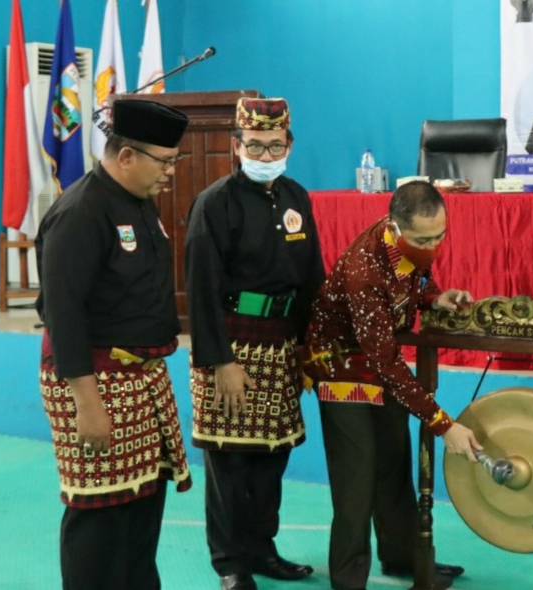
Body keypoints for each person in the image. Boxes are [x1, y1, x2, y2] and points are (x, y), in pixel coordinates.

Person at [35, 98, 192, 590]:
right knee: (99, 515)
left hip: (141, 378)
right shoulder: (80, 212)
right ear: (126, 156)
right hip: (94, 383)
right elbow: (63, 315)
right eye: (164, 162)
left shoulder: (138, 202)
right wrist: (88, 404)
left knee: (142, 506)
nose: (170, 172)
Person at [303, 181, 480, 590]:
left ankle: (402, 560)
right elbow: (385, 363)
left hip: (378, 355)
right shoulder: (364, 272)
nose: (432, 246)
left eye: (439, 236)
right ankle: (349, 581)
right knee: (356, 481)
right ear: (395, 227)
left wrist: (434, 298)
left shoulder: (409, 244)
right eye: (423, 239)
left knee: (394, 469)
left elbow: (414, 282)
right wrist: (442, 423)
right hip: (340, 366)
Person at [185, 97, 323, 590]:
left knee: (272, 457)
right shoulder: (214, 203)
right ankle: (230, 564)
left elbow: (312, 277)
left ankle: (263, 551)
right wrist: (220, 362)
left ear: (290, 144)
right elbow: (200, 292)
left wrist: (311, 346)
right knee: (230, 462)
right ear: (236, 145)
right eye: (256, 146)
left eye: (276, 146)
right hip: (231, 347)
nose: (266, 156)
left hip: (283, 346)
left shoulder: (296, 198)